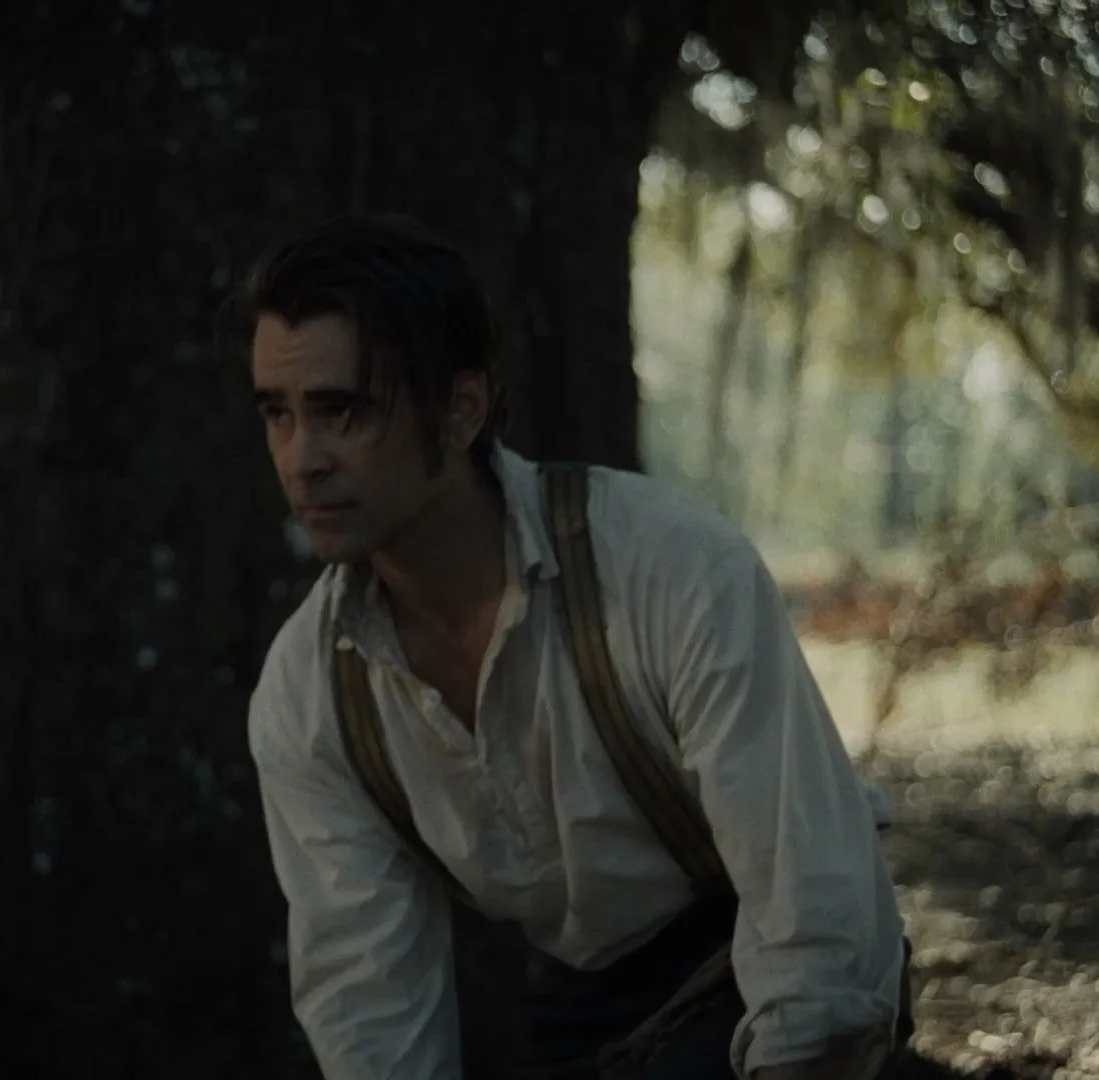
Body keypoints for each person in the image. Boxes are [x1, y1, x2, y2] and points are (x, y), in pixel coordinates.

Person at [234, 212, 912, 1080]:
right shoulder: (311, 694)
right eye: (278, 414)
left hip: (757, 972)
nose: (302, 459)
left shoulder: (666, 567)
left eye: (342, 410)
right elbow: (366, 997)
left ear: (461, 410)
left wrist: (801, 1056)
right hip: (587, 1008)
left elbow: (815, 909)